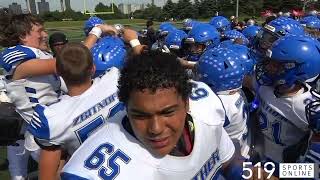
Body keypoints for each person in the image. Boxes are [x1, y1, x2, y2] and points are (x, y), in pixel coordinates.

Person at [61, 52, 276, 180]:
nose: (155, 128)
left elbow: (232, 164)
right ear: (126, 108)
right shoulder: (93, 172)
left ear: (187, 103)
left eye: (167, 112)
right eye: (140, 115)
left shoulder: (206, 112)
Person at [0, 11, 118, 180]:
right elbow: (73, 61)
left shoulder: (41, 57)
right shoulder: (21, 60)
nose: (45, 34)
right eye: (39, 31)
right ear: (22, 36)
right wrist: (97, 31)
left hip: (59, 126)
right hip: (47, 137)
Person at [27, 28, 145, 180]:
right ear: (93, 68)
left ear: (58, 72)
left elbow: (47, 176)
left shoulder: (52, 117)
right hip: (135, 164)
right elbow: (145, 65)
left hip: (91, 173)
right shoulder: (115, 79)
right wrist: (134, 42)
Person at [254, 34, 320, 177]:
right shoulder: (266, 87)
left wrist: (281, 174)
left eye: (276, 64)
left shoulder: (309, 106)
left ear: (299, 69)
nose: (269, 67)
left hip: (286, 170)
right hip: (260, 157)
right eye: (270, 61)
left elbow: (315, 169)